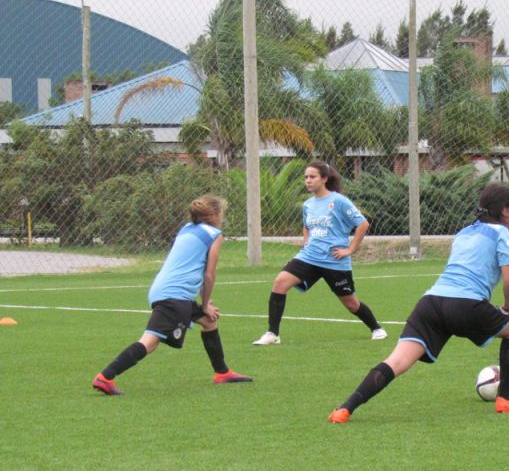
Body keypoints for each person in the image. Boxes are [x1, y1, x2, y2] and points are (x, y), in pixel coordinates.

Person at [329, 183, 509, 424]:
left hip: (430, 303)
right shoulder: (501, 233)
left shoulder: (464, 232)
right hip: (466, 305)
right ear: (502, 210)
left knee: (397, 361)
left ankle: (345, 409)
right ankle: (506, 399)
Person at [92, 195, 252, 395]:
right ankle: (105, 377)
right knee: (150, 342)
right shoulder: (215, 234)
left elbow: (195, 267)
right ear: (214, 215)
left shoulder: (186, 228)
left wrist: (204, 306)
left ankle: (222, 372)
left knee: (209, 322)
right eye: (222, 213)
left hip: (165, 290)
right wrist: (204, 304)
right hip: (174, 296)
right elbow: (209, 274)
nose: (223, 218)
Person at [252, 161, 387, 346]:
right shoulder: (308, 204)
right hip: (309, 257)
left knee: (351, 304)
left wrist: (350, 249)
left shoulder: (338, 201)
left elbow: (362, 224)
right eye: (306, 177)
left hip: (334, 261)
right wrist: (306, 242)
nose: (308, 181)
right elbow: (307, 226)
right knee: (280, 283)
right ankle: (272, 334)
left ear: (324, 179)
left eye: (312, 177)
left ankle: (377, 328)